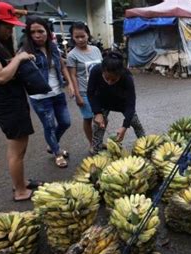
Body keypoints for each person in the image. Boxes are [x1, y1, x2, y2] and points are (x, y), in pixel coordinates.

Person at [0, 2, 42, 201]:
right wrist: (18, 59)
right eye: (7, 26)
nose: (10, 30)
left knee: (21, 148)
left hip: (14, 102)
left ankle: (20, 182)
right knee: (16, 150)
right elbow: (1, 76)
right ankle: (20, 191)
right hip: (8, 105)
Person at [21, 16, 73, 168]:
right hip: (40, 97)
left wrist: (69, 83)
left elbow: (62, 66)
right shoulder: (25, 51)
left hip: (58, 93)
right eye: (33, 32)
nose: (37, 35)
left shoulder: (53, 48)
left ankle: (52, 145)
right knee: (49, 126)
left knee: (65, 122)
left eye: (41, 31)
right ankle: (57, 153)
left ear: (48, 32)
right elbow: (20, 71)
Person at [87, 51, 145, 154]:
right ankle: (96, 151)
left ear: (120, 73)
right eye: (106, 78)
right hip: (102, 101)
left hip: (121, 102)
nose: (109, 82)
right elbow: (90, 93)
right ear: (102, 71)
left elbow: (131, 103)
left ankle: (146, 145)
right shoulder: (96, 70)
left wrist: (125, 126)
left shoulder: (127, 77)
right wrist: (97, 113)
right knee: (98, 125)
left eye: (113, 80)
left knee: (135, 123)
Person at [66, 22, 102, 153]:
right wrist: (78, 95)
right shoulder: (72, 55)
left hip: (100, 91)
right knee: (88, 118)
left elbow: (103, 70)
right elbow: (73, 76)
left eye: (83, 36)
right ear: (73, 38)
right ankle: (92, 143)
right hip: (84, 92)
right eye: (77, 37)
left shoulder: (96, 50)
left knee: (101, 117)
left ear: (88, 35)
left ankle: (99, 141)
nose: (80, 39)